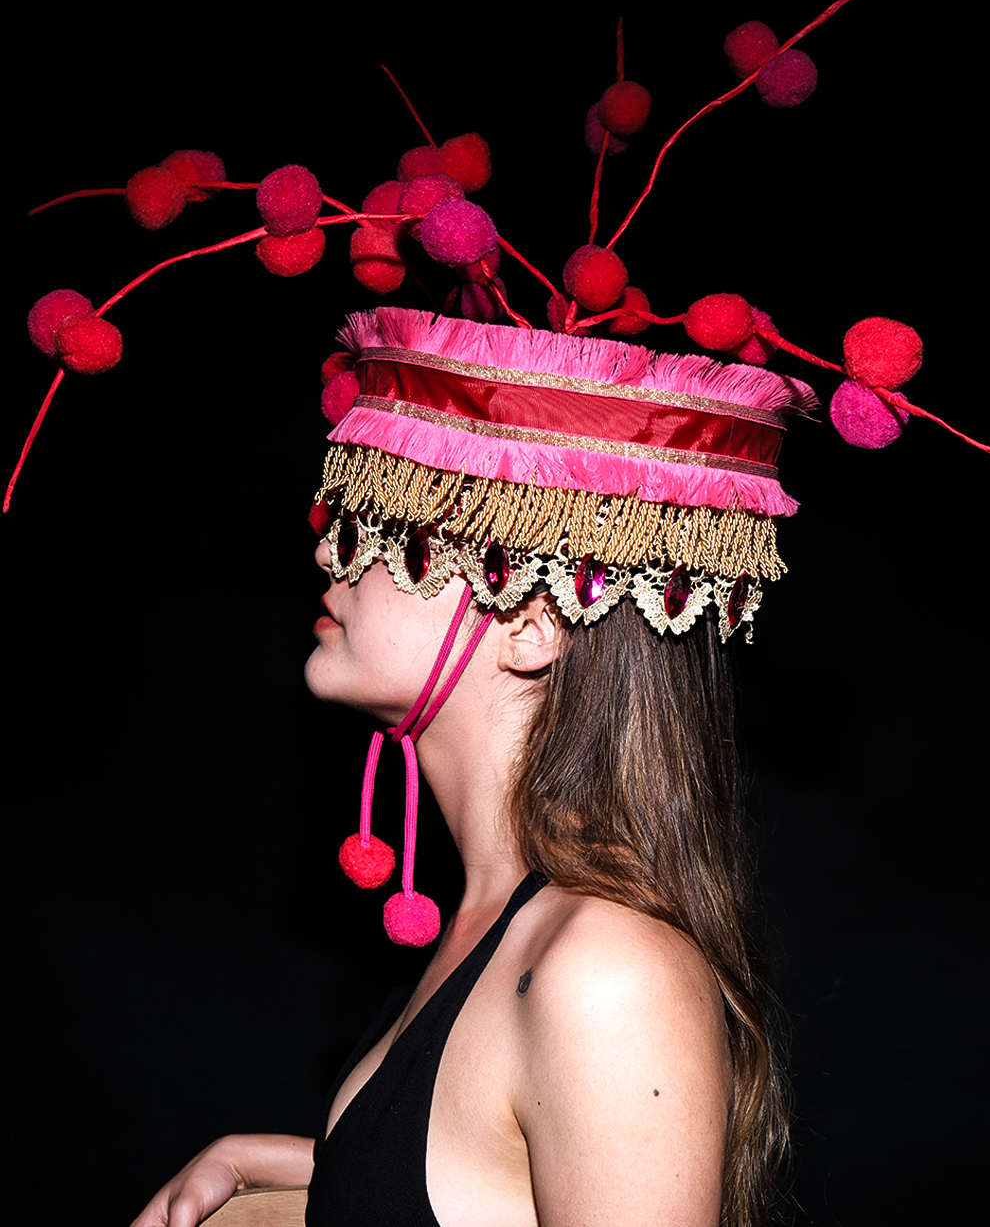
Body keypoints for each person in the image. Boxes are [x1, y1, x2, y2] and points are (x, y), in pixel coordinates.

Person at [131, 306, 807, 1226]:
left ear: (533, 628)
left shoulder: (604, 972)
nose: (331, 554)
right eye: (349, 520)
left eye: (391, 535)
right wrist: (273, 1168)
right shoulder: (500, 929)